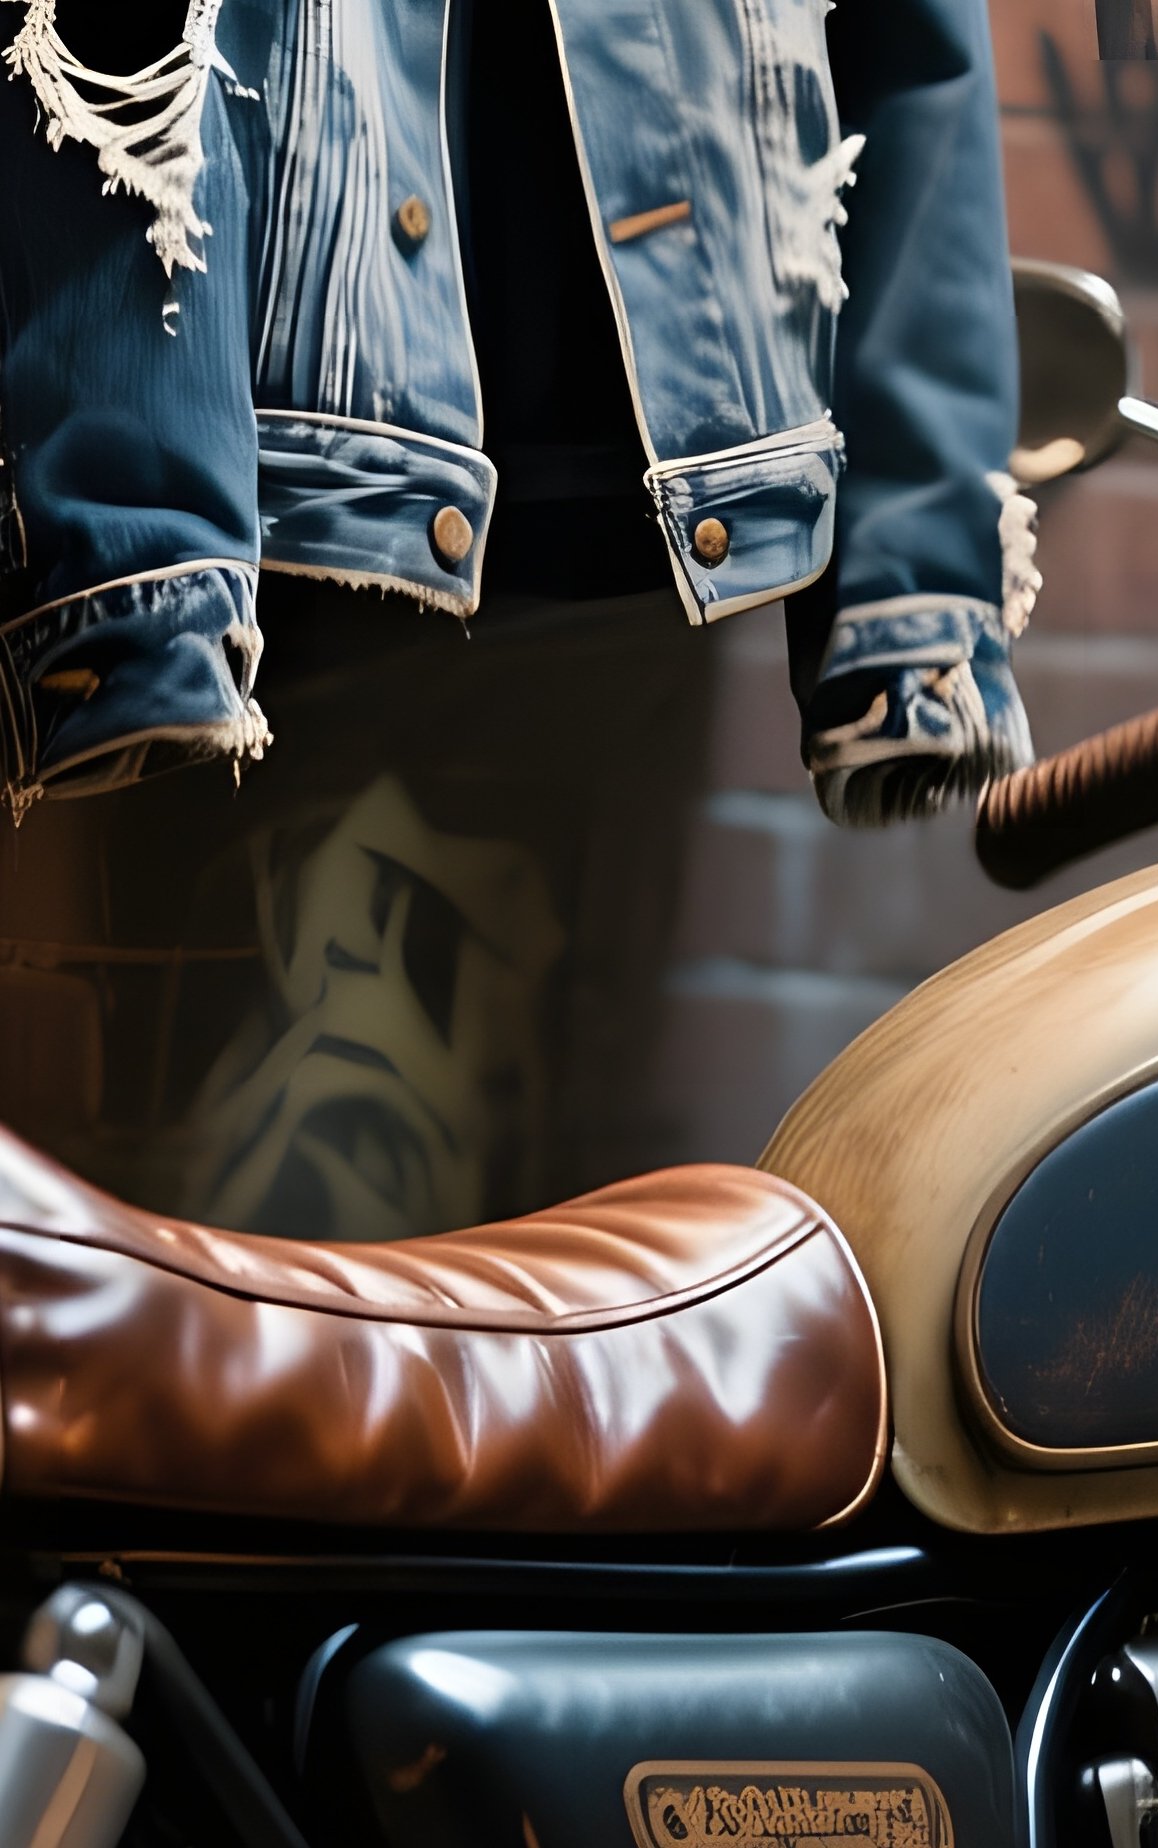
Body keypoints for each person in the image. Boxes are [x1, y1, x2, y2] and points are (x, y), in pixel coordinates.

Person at [0, 0, 1038, 1235]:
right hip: (295, 511)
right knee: (228, 1303)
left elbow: (914, 42)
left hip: (651, 510)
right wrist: (135, 556)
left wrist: (910, 595)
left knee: (528, 1287)